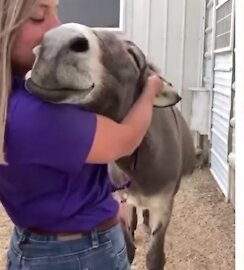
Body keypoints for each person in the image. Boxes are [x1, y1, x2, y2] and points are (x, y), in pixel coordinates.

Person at [0, 0, 164, 269]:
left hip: (29, 244)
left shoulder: (12, 101)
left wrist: (115, 200)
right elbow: (126, 140)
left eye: (56, 11)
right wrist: (149, 92)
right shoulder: (36, 116)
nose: (56, 25)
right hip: (83, 251)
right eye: (39, 17)